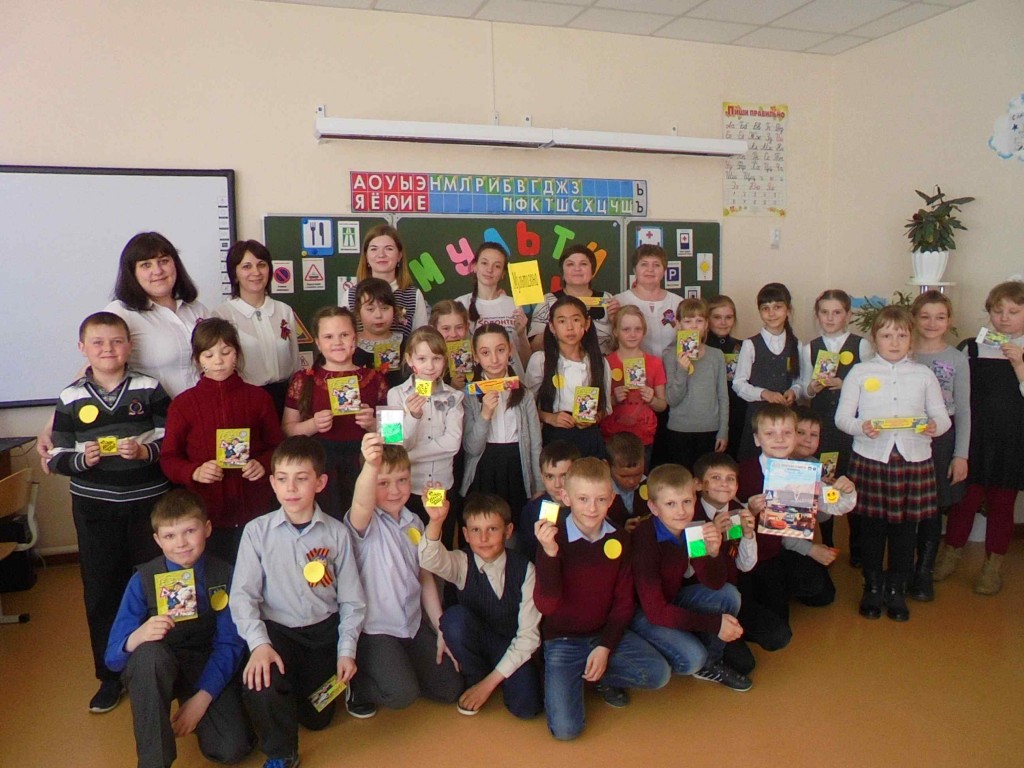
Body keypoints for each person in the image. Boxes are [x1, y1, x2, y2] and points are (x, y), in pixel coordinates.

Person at [48, 311, 170, 713]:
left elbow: (172, 439)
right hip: (95, 509)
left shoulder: (149, 388)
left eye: (116, 341)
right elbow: (57, 455)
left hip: (148, 505)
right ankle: (110, 675)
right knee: (102, 591)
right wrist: (82, 460)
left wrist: (146, 451)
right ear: (82, 348)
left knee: (157, 585)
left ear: (129, 346)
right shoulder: (70, 397)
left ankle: (163, 667)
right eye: (97, 342)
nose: (108, 349)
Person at [230, 436, 366, 768]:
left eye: (301, 478)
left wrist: (346, 650)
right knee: (261, 680)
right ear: (273, 483)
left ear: (320, 483)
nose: (291, 488)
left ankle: (295, 698)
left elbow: (352, 600)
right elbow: (243, 596)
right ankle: (281, 751)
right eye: (282, 478)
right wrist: (259, 644)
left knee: (318, 717)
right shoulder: (256, 532)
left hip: (323, 633)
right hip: (277, 632)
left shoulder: (336, 533)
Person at [105, 490, 253, 768]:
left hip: (206, 662)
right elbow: (112, 658)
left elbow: (230, 644)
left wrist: (202, 698)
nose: (181, 543)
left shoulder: (225, 574)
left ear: (207, 529)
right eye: (170, 536)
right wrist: (138, 636)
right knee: (149, 657)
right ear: (157, 540)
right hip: (160, 663)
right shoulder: (142, 580)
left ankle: (200, 703)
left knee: (232, 748)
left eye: (190, 531)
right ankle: (154, 761)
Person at [533, 457, 670, 740]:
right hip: (563, 640)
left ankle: (596, 676)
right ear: (566, 498)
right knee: (566, 731)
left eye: (600, 499)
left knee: (658, 673)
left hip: (602, 633)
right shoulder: (553, 538)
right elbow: (546, 605)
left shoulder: (619, 538)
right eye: (583, 499)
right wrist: (549, 554)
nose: (592, 508)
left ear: (611, 499)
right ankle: (575, 677)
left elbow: (623, 603)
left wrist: (605, 647)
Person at [836, 306, 950, 621]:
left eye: (901, 335)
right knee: (872, 529)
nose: (895, 342)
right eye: (887, 335)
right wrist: (862, 427)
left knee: (905, 531)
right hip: (872, 458)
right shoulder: (860, 373)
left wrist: (934, 427)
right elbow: (842, 418)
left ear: (911, 338)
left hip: (914, 461)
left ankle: (896, 589)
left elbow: (941, 417)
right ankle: (872, 586)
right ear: (875, 339)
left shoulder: (924, 375)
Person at [343, 436, 464, 718]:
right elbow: (361, 502)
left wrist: (441, 629)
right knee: (402, 695)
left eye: (402, 480)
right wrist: (371, 464)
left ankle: (399, 668)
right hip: (376, 630)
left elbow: (425, 578)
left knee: (451, 688)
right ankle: (358, 687)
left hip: (410, 624)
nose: (395, 491)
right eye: (383, 483)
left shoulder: (415, 522)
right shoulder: (364, 521)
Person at [160, 319, 284, 563]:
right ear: (198, 360)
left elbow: (279, 448)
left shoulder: (259, 398)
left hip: (256, 509)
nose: (218, 361)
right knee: (216, 575)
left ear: (236, 354)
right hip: (206, 516)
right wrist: (194, 471)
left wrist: (263, 463)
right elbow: (168, 458)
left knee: (258, 570)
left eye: (226, 352)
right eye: (209, 355)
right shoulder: (183, 404)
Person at [419, 493, 543, 718]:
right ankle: (474, 676)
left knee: (527, 708)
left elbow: (528, 638)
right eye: (475, 530)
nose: (483, 538)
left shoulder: (526, 570)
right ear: (465, 534)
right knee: (453, 619)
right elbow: (429, 559)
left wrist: (488, 685)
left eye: (492, 529)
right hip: (475, 641)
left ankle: (488, 680)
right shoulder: (461, 562)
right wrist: (436, 521)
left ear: (508, 531)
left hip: (509, 645)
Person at [630, 463, 752, 692]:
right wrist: (714, 624)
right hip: (643, 612)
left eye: (686, 501)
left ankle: (710, 663)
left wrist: (713, 553)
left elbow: (715, 584)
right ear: (654, 507)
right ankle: (658, 647)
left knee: (729, 595)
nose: (681, 511)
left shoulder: (693, 529)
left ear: (695, 499)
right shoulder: (645, 539)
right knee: (692, 658)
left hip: (673, 599)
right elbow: (655, 611)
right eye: (670, 504)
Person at [935, 281, 1024, 594]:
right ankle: (950, 555)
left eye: (1014, 311)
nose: (1004, 318)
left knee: (1002, 503)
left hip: (1012, 441)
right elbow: (953, 392)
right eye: (998, 311)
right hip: (973, 439)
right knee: (965, 500)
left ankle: (992, 566)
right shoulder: (971, 347)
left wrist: (1019, 363)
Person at [282, 306, 388, 519]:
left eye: (344, 335)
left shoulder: (375, 379)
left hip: (364, 463)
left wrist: (372, 424)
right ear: (318, 343)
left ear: (355, 338)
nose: (337, 342)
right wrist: (313, 425)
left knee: (364, 522)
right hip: (321, 468)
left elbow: (395, 434)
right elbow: (287, 430)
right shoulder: (304, 380)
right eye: (328, 337)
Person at [798, 289, 873, 557]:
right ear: (817, 315)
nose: (830, 318)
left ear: (848, 315)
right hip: (823, 429)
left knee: (852, 483)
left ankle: (858, 545)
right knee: (826, 483)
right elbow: (804, 390)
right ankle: (828, 542)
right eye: (824, 312)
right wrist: (813, 387)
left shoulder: (861, 345)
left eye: (837, 312)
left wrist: (846, 384)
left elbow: (872, 386)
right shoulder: (809, 348)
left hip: (852, 430)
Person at [909, 291, 969, 600]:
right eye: (925, 316)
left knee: (932, 510)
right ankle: (903, 568)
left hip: (942, 441)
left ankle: (924, 572)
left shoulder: (957, 358)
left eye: (940, 317)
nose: (932, 323)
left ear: (949, 321)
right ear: (914, 319)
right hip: (906, 438)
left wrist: (961, 455)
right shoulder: (904, 353)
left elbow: (965, 410)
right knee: (906, 507)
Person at [105, 231, 210, 398]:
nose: (158, 271)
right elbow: (98, 366)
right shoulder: (120, 312)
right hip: (153, 411)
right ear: (132, 273)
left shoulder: (197, 309)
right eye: (146, 265)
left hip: (203, 408)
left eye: (164, 261)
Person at [461, 323, 543, 531]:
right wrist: (485, 414)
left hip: (516, 465)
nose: (494, 359)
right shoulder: (469, 394)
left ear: (510, 350)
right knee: (484, 524)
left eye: (500, 350)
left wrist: (538, 485)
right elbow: (471, 448)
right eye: (485, 353)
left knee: (514, 527)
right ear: (476, 357)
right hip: (484, 467)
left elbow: (535, 444)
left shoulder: (524, 394)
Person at [386, 326, 466, 525]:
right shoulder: (394, 394)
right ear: (409, 359)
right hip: (405, 487)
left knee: (439, 535)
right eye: (422, 359)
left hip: (439, 485)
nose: (430, 366)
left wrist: (407, 457)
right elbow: (392, 445)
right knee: (409, 537)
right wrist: (413, 417)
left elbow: (452, 444)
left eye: (436, 358)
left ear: (445, 360)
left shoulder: (454, 396)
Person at [213, 240, 300, 416]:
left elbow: (295, 361)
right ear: (235, 274)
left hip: (284, 400)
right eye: (247, 266)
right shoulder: (222, 315)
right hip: (243, 400)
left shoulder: (284, 310)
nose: (256, 272)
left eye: (261, 265)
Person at [691, 451, 759, 675]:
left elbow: (745, 566)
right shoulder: (690, 514)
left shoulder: (737, 512)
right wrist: (712, 536)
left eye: (731, 478)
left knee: (777, 635)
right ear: (699, 484)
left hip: (730, 595)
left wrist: (748, 534)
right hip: (700, 596)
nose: (724, 484)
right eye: (716, 478)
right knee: (744, 664)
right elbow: (688, 573)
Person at [524, 294, 612, 457]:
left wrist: (594, 417)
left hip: (589, 437)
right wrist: (550, 418)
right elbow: (526, 406)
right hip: (554, 438)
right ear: (552, 327)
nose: (570, 327)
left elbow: (605, 408)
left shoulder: (599, 362)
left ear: (586, 324)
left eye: (576, 320)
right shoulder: (541, 360)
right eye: (562, 321)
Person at [732, 282, 800, 460]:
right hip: (758, 418)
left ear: (788, 310)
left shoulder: (797, 345)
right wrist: (764, 393)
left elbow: (800, 381)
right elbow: (738, 384)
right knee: (754, 464)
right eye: (765, 308)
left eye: (777, 307)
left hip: (786, 420)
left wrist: (794, 391)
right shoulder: (750, 344)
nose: (771, 313)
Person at [662, 298, 730, 471]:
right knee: (682, 479)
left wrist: (723, 430)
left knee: (706, 477)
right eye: (688, 321)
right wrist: (682, 370)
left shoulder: (716, 355)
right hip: (679, 430)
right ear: (679, 324)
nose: (694, 326)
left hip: (710, 429)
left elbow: (723, 396)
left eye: (699, 321)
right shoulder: (670, 355)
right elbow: (672, 399)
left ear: (706, 325)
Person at [602, 305, 667, 469]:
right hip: (612, 437)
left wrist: (652, 400)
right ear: (616, 332)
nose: (632, 334)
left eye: (638, 329)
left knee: (641, 479)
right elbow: (597, 406)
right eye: (626, 329)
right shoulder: (605, 363)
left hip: (643, 437)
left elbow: (662, 405)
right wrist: (613, 399)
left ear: (644, 331)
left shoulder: (654, 363)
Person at [529, 244, 620, 354]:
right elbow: (534, 347)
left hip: (601, 363)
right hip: (559, 363)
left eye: (583, 264)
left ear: (593, 271)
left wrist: (616, 322)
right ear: (562, 273)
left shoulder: (607, 299)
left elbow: (621, 345)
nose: (577, 269)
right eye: (570, 264)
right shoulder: (548, 301)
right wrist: (555, 328)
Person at [454, 242, 532, 370]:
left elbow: (526, 363)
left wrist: (522, 334)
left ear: (503, 273)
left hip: (512, 380)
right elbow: (459, 359)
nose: (489, 270)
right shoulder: (460, 304)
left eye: (497, 266)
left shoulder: (514, 305)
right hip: (477, 380)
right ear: (474, 266)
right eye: (484, 263)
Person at [342, 224, 428, 336]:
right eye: (374, 249)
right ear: (366, 256)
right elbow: (343, 336)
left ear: (399, 255)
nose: (381, 255)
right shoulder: (351, 295)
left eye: (389, 249)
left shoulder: (413, 295)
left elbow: (422, 339)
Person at [614, 244, 684, 356]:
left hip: (673, 365)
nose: (650, 270)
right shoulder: (619, 301)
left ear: (664, 271)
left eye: (656, 265)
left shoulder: (678, 303)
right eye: (644, 264)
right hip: (633, 365)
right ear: (635, 270)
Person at [516, 440, 580, 561]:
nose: (557, 484)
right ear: (541, 476)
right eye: (550, 476)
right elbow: (527, 555)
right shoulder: (532, 511)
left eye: (564, 476)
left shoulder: (588, 507)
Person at [706, 295, 746, 461]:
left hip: (736, 412)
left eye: (728, 317)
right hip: (708, 412)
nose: (723, 322)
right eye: (717, 317)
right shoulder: (700, 347)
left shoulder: (743, 346)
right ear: (707, 319)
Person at [352, 277, 408, 388]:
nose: (378, 315)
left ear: (394, 310)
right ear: (358, 312)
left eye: (385, 308)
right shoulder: (348, 347)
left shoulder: (408, 344)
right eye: (370, 309)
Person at [604, 433, 649, 533]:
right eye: (624, 476)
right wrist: (622, 531)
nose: (632, 481)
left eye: (638, 474)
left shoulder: (651, 485)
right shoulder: (601, 494)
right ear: (607, 465)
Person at [429, 299, 471, 390]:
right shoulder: (425, 360)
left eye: (459, 327)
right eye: (446, 328)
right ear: (433, 330)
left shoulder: (477, 356)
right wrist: (451, 387)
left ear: (467, 327)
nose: (453, 334)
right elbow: (421, 393)